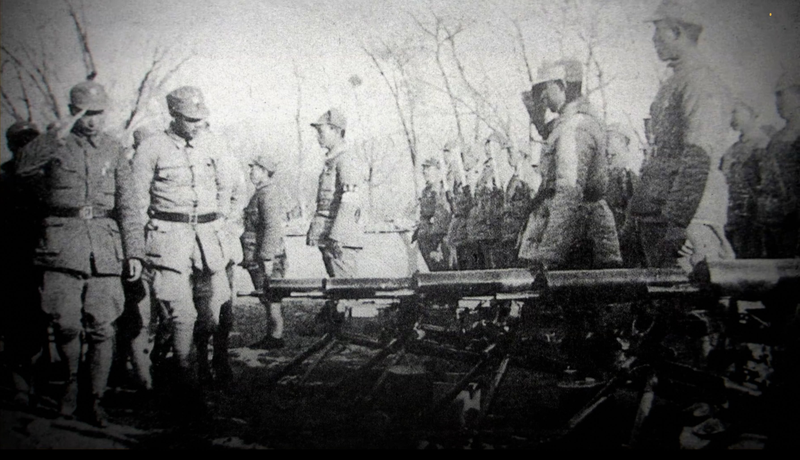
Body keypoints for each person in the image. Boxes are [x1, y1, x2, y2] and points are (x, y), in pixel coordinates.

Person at [15, 81, 139, 426]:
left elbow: (128, 205)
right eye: (85, 113)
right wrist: (55, 132)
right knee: (66, 325)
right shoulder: (55, 145)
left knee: (102, 327)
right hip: (61, 247)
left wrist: (135, 253)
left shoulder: (114, 150)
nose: (92, 121)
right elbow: (22, 167)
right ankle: (69, 388)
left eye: (98, 113)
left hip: (105, 247)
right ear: (73, 112)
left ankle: (94, 400)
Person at [129, 86, 237, 405]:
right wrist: (137, 245)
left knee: (211, 316)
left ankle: (193, 368)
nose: (197, 125)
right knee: (183, 315)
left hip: (207, 240)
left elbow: (227, 184)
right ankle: (183, 379)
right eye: (190, 119)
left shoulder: (213, 145)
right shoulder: (151, 148)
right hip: (168, 240)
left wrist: (221, 218)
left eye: (201, 119)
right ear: (173, 116)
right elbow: (135, 201)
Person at [625, 0, 735, 272]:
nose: (653, 39)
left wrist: (677, 224)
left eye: (658, 31)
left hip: (690, 220)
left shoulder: (699, 82)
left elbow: (698, 157)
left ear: (677, 31)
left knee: (697, 301)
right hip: (665, 217)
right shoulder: (678, 81)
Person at [518, 62, 622, 270]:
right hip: (576, 236)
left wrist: (550, 253)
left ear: (562, 86)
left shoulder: (575, 127)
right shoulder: (569, 124)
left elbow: (568, 192)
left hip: (577, 240)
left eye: (545, 88)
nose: (542, 97)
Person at [0, 121, 43, 407]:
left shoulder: (51, 173)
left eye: (32, 142)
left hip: (50, 252)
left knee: (51, 316)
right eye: (21, 143)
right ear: (12, 147)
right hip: (14, 259)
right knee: (19, 319)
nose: (27, 148)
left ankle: (43, 380)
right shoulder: (4, 176)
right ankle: (21, 382)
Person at [307, 108, 366, 279]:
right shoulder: (332, 160)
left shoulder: (346, 159)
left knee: (345, 288)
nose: (318, 136)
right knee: (337, 288)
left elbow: (350, 200)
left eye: (321, 131)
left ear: (336, 130)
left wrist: (337, 236)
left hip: (340, 238)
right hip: (329, 235)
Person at [242, 154, 288, 349]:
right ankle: (273, 336)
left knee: (271, 297)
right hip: (259, 255)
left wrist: (267, 258)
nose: (250, 171)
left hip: (267, 257)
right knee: (268, 297)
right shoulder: (261, 192)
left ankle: (276, 337)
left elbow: (272, 227)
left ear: (263, 171)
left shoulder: (267, 194)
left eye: (254, 168)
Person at [756, 73, 800, 259]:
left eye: (783, 95)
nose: (778, 102)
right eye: (776, 97)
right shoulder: (777, 138)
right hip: (774, 221)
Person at [720, 102, 770, 259]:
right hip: (732, 216)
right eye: (730, 113)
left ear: (752, 113)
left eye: (736, 112)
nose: (732, 118)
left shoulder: (763, 144)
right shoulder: (732, 148)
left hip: (754, 217)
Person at [466, 132, 507, 269]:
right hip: (482, 226)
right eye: (487, 145)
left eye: (491, 144)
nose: (488, 148)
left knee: (494, 267)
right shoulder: (486, 168)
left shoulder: (502, 166)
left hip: (494, 226)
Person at [496, 146, 539, 269]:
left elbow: (532, 201)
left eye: (511, 153)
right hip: (510, 230)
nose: (508, 157)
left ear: (521, 154)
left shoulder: (528, 174)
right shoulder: (515, 176)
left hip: (520, 230)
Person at [444, 140, 484, 271]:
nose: (465, 161)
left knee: (471, 257)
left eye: (469, 157)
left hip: (472, 223)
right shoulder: (461, 175)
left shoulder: (477, 175)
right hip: (462, 221)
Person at [416, 157, 452, 272]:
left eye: (428, 168)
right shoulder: (425, 191)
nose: (425, 172)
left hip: (441, 239)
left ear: (437, 170)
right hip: (427, 238)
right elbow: (424, 215)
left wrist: (437, 244)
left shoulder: (443, 189)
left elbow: (445, 215)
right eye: (424, 169)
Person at [605, 123, 642, 236]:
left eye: (613, 155)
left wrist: (621, 235)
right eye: (607, 156)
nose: (609, 159)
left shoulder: (630, 178)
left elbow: (632, 213)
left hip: (622, 235)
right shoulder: (602, 176)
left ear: (625, 147)